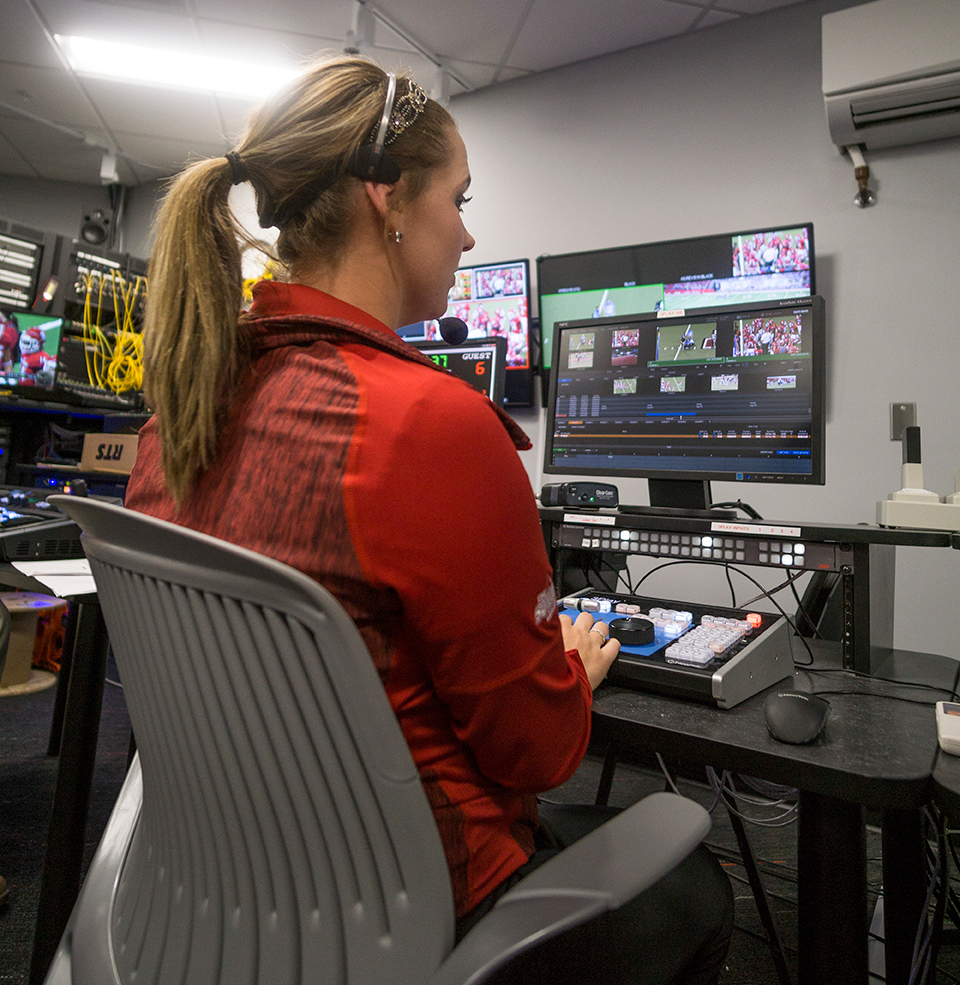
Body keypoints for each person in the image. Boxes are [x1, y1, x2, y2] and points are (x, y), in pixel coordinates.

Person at [124, 55, 732, 983]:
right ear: (387, 199)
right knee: (698, 886)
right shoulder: (429, 423)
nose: (469, 233)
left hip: (233, 908)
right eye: (459, 197)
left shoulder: (176, 423)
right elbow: (535, 753)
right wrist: (571, 662)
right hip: (422, 913)